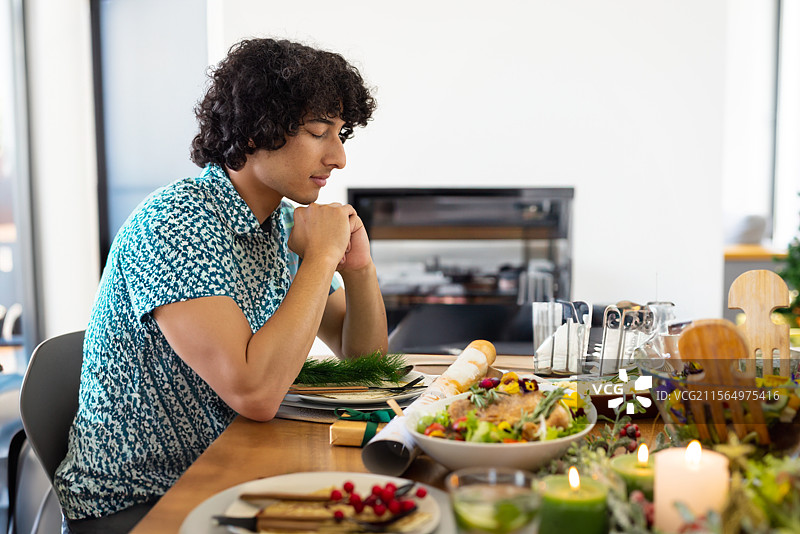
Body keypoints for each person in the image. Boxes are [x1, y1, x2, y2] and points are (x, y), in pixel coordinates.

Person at [55, 38, 387, 534]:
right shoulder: (177, 223)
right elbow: (255, 394)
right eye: (319, 132)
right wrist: (320, 258)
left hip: (228, 473)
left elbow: (366, 366)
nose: (338, 158)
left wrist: (357, 269)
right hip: (142, 502)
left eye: (340, 135)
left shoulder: (279, 224)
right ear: (257, 130)